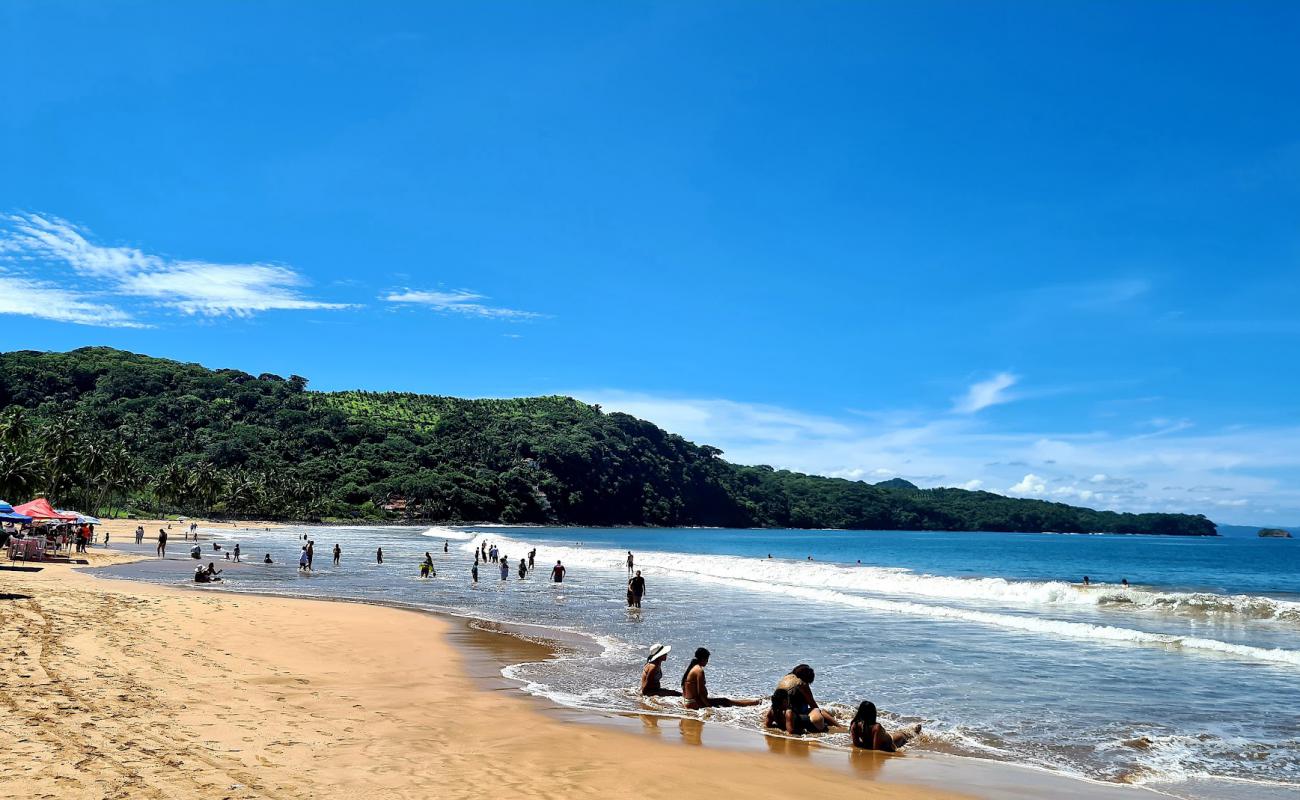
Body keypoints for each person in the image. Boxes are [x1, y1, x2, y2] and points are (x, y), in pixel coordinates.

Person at [681, 648, 761, 710]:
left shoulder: (692, 668)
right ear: (703, 659)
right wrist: (709, 707)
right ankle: (755, 703)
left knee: (725, 701)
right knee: (726, 701)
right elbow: (701, 693)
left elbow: (685, 688)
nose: (707, 662)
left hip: (689, 702)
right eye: (707, 659)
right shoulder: (699, 671)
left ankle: (754, 702)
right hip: (695, 704)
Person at [850, 701, 919, 752]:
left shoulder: (876, 727)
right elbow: (856, 744)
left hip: (893, 740)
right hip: (885, 737)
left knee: (908, 736)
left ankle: (915, 730)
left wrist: (865, 746)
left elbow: (875, 748)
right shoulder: (854, 725)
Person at [766, 688, 834, 735]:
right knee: (818, 710)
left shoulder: (771, 711)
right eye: (788, 699)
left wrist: (780, 727)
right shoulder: (788, 712)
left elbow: (768, 725)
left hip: (805, 720)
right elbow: (791, 731)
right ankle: (839, 726)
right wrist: (804, 731)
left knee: (818, 712)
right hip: (811, 725)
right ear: (784, 701)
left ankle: (837, 723)